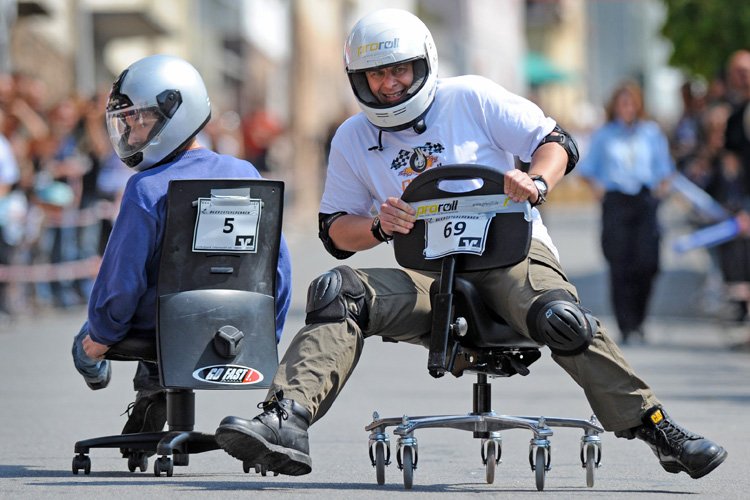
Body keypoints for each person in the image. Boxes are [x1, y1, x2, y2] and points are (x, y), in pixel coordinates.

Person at [215, 9, 726, 480]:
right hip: (427, 275)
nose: (389, 84)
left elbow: (557, 143)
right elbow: (334, 232)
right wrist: (376, 226)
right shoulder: (353, 136)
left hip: (512, 256)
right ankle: (287, 419)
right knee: (336, 290)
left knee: (560, 319)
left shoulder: (472, 98)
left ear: (424, 65)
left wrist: (537, 183)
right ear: (360, 80)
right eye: (376, 75)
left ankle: (657, 427)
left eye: (400, 71)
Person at [71, 55, 292, 442]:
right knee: (164, 309)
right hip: (237, 325)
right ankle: (154, 388)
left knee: (88, 339)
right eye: (127, 120)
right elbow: (278, 268)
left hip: (157, 324)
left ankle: (150, 387)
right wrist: (266, 332)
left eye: (142, 119)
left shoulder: (145, 189)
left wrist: (102, 333)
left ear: (177, 113)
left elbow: (121, 281)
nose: (133, 130)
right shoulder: (246, 174)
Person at [576, 81, 675, 344]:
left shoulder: (651, 133)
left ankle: (640, 318)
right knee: (619, 264)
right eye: (622, 102)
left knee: (647, 262)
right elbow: (586, 170)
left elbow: (665, 168)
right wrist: (599, 190)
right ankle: (626, 324)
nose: (627, 107)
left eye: (631, 102)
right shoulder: (605, 134)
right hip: (616, 201)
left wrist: (659, 192)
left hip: (643, 200)